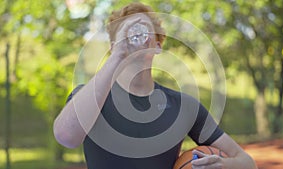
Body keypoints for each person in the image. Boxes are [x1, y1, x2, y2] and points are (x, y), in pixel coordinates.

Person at [53, 2, 257, 169]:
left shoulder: (184, 106)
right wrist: (118, 55)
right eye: (125, 33)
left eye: (142, 29)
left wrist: (222, 165)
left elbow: (247, 162)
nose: (134, 36)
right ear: (112, 46)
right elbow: (66, 137)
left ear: (157, 46)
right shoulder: (90, 96)